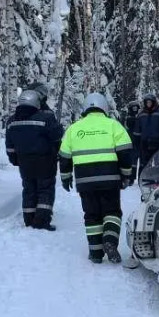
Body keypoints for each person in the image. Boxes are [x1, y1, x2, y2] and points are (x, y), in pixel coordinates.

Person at [59, 92, 135, 264]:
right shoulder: (113, 126)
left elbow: (64, 156)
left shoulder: (74, 128)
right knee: (112, 212)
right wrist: (126, 174)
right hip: (110, 179)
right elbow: (125, 153)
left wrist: (66, 177)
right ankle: (109, 240)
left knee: (92, 215)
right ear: (104, 108)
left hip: (84, 181)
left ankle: (95, 253)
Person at [5, 88, 63, 230]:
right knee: (45, 190)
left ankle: (29, 219)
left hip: (24, 163)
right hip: (45, 161)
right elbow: (57, 136)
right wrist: (58, 152)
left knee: (29, 189)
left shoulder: (11, 121)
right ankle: (41, 221)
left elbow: (10, 145)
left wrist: (14, 159)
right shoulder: (45, 118)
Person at [132, 94, 159, 167]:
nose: (148, 104)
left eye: (150, 102)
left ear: (154, 102)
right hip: (144, 144)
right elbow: (137, 130)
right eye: (147, 102)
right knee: (145, 165)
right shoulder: (141, 115)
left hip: (158, 143)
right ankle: (145, 177)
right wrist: (136, 141)